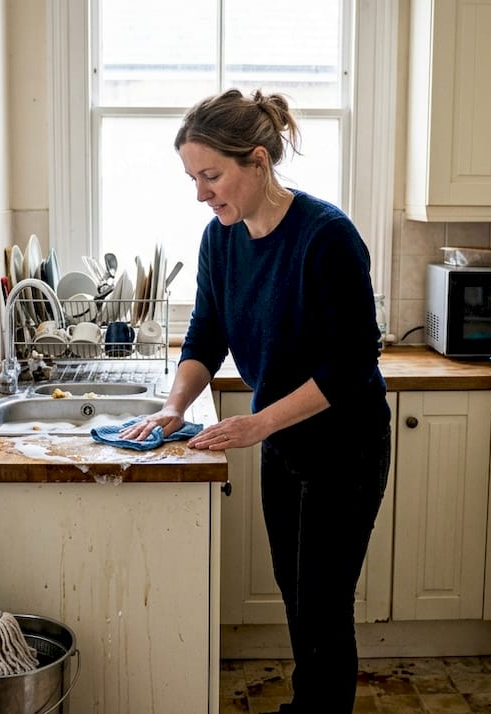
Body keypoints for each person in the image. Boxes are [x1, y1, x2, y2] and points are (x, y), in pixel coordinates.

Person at [119, 88, 392, 713]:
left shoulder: (326, 236)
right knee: (296, 595)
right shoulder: (221, 239)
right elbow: (206, 334)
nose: (201, 193)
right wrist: (174, 406)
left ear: (259, 162)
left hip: (345, 447)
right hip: (284, 444)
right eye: (193, 178)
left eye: (211, 175)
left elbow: (351, 363)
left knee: (323, 603)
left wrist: (256, 423)